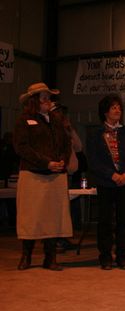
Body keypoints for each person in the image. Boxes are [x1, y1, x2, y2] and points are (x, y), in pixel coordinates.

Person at [13, 82, 73, 271]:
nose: (48, 100)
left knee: (54, 216)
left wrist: (62, 161)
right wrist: (46, 163)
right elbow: (21, 147)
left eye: (49, 97)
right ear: (34, 101)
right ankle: (26, 256)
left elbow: (66, 144)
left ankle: (50, 257)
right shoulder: (24, 120)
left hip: (56, 175)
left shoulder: (57, 120)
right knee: (30, 216)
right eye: (43, 97)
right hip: (33, 174)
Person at [87, 94, 125, 270]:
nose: (117, 110)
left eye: (119, 107)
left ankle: (123, 256)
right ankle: (105, 256)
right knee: (104, 221)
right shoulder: (96, 134)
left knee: (123, 220)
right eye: (113, 107)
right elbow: (93, 160)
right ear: (105, 112)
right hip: (106, 182)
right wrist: (111, 174)